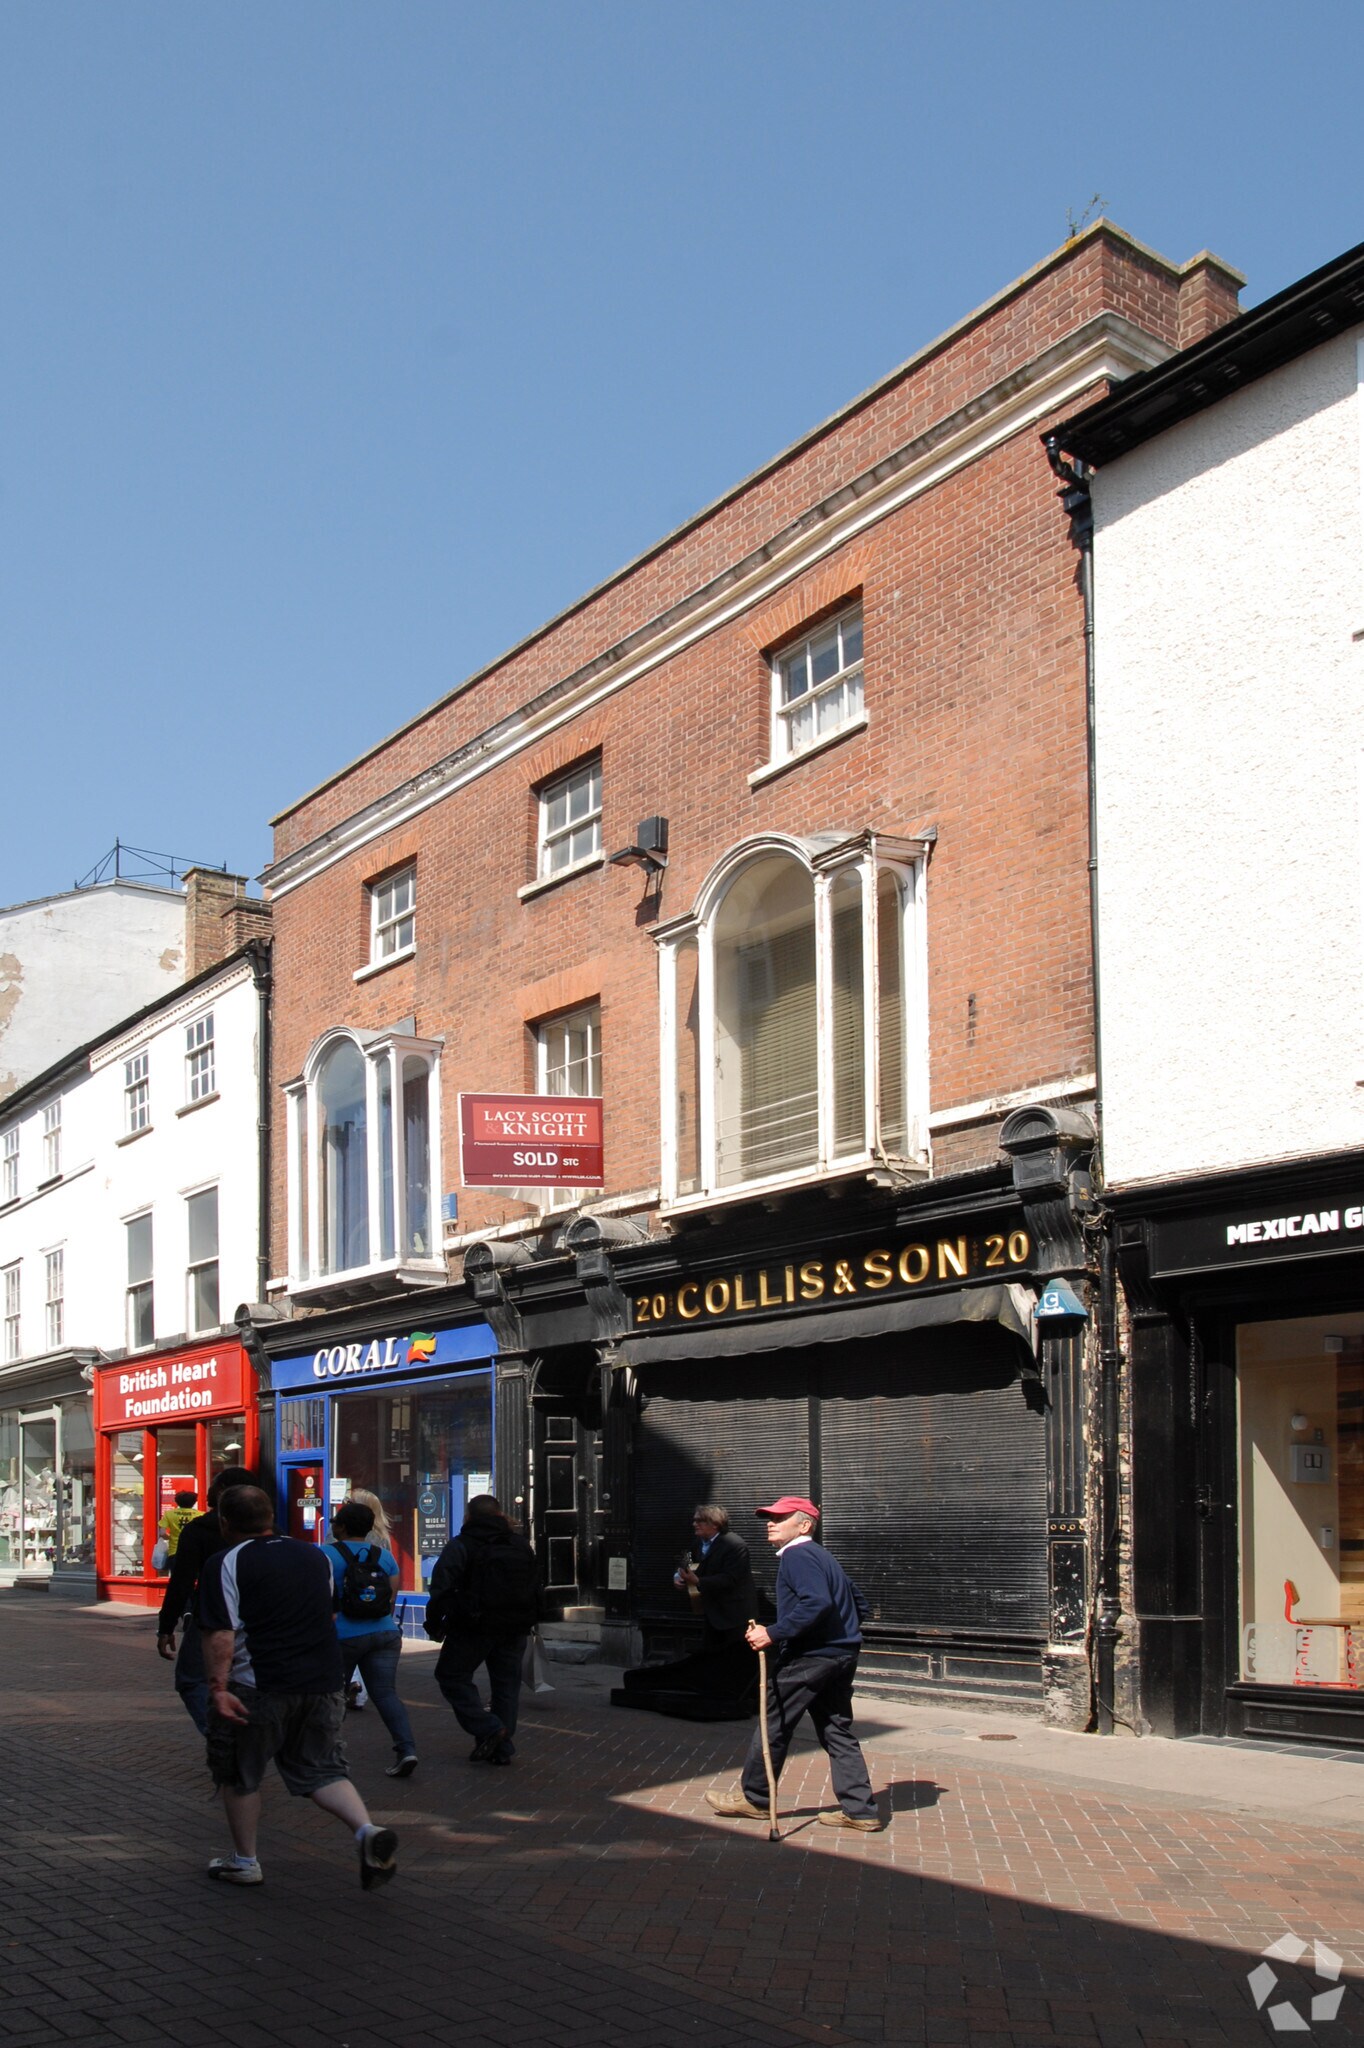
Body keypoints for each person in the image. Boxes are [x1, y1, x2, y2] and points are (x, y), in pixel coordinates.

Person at [198, 1483, 398, 1890]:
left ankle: (245, 1860)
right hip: (322, 1682)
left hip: (259, 1685)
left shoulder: (226, 1563)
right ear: (271, 1516)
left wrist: (219, 1687)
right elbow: (327, 1615)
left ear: (224, 1521)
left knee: (240, 1772)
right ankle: (366, 1831)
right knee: (323, 1769)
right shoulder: (314, 1556)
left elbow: (220, 1633)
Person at [705, 1496, 881, 1833]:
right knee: (836, 1730)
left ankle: (755, 1798)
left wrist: (773, 1633)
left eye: (780, 1518)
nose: (771, 1523)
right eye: (770, 1517)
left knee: (773, 1723)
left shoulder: (797, 1555)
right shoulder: (823, 1557)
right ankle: (860, 1810)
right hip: (840, 1655)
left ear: (804, 1525)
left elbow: (816, 1602)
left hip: (810, 1657)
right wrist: (842, 1635)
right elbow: (858, 1602)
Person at [613, 1504, 759, 1719]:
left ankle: (745, 1699)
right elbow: (686, 1561)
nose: (694, 1524)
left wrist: (699, 1581)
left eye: (699, 1520)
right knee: (712, 1654)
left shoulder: (734, 1545)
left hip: (734, 1612)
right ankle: (715, 1693)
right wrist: (678, 1577)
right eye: (694, 1520)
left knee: (735, 1656)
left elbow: (731, 1579)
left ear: (714, 1524)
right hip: (711, 1611)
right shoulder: (698, 1543)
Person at [426, 1494, 539, 1764]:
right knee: (507, 1687)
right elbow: (535, 1586)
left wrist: (434, 1624)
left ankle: (489, 1728)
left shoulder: (461, 1545)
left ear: (468, 1517)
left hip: (472, 1626)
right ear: (500, 1515)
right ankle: (501, 1749)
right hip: (514, 1625)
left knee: (451, 1676)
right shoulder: (521, 1545)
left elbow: (440, 1588)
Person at [322, 1499, 418, 1778]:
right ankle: (407, 1749)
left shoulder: (325, 1554)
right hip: (384, 1633)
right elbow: (390, 1599)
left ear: (340, 1526)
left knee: (333, 1695)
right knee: (386, 1694)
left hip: (342, 1636)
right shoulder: (384, 1556)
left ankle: (330, 1754)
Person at [156, 1465, 254, 1733]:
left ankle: (223, 1735)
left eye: (214, 1485)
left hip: (212, 1616)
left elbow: (181, 1581)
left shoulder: (201, 1529)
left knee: (192, 1679)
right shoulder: (269, 1531)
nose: (208, 1491)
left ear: (222, 1492)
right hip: (258, 1616)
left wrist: (166, 1626)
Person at [339, 1489, 394, 1711]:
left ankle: (351, 1687)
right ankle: (359, 1693)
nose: (344, 1505)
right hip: (376, 1605)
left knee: (348, 1644)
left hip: (348, 1599)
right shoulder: (382, 1538)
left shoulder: (343, 1534)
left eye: (348, 1502)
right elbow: (391, 1575)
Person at [158, 1488, 199, 1564]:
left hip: (174, 1551)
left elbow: (162, 1533)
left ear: (177, 1502)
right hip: (193, 1551)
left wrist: (171, 1538)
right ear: (194, 1502)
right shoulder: (200, 1514)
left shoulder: (169, 1514)